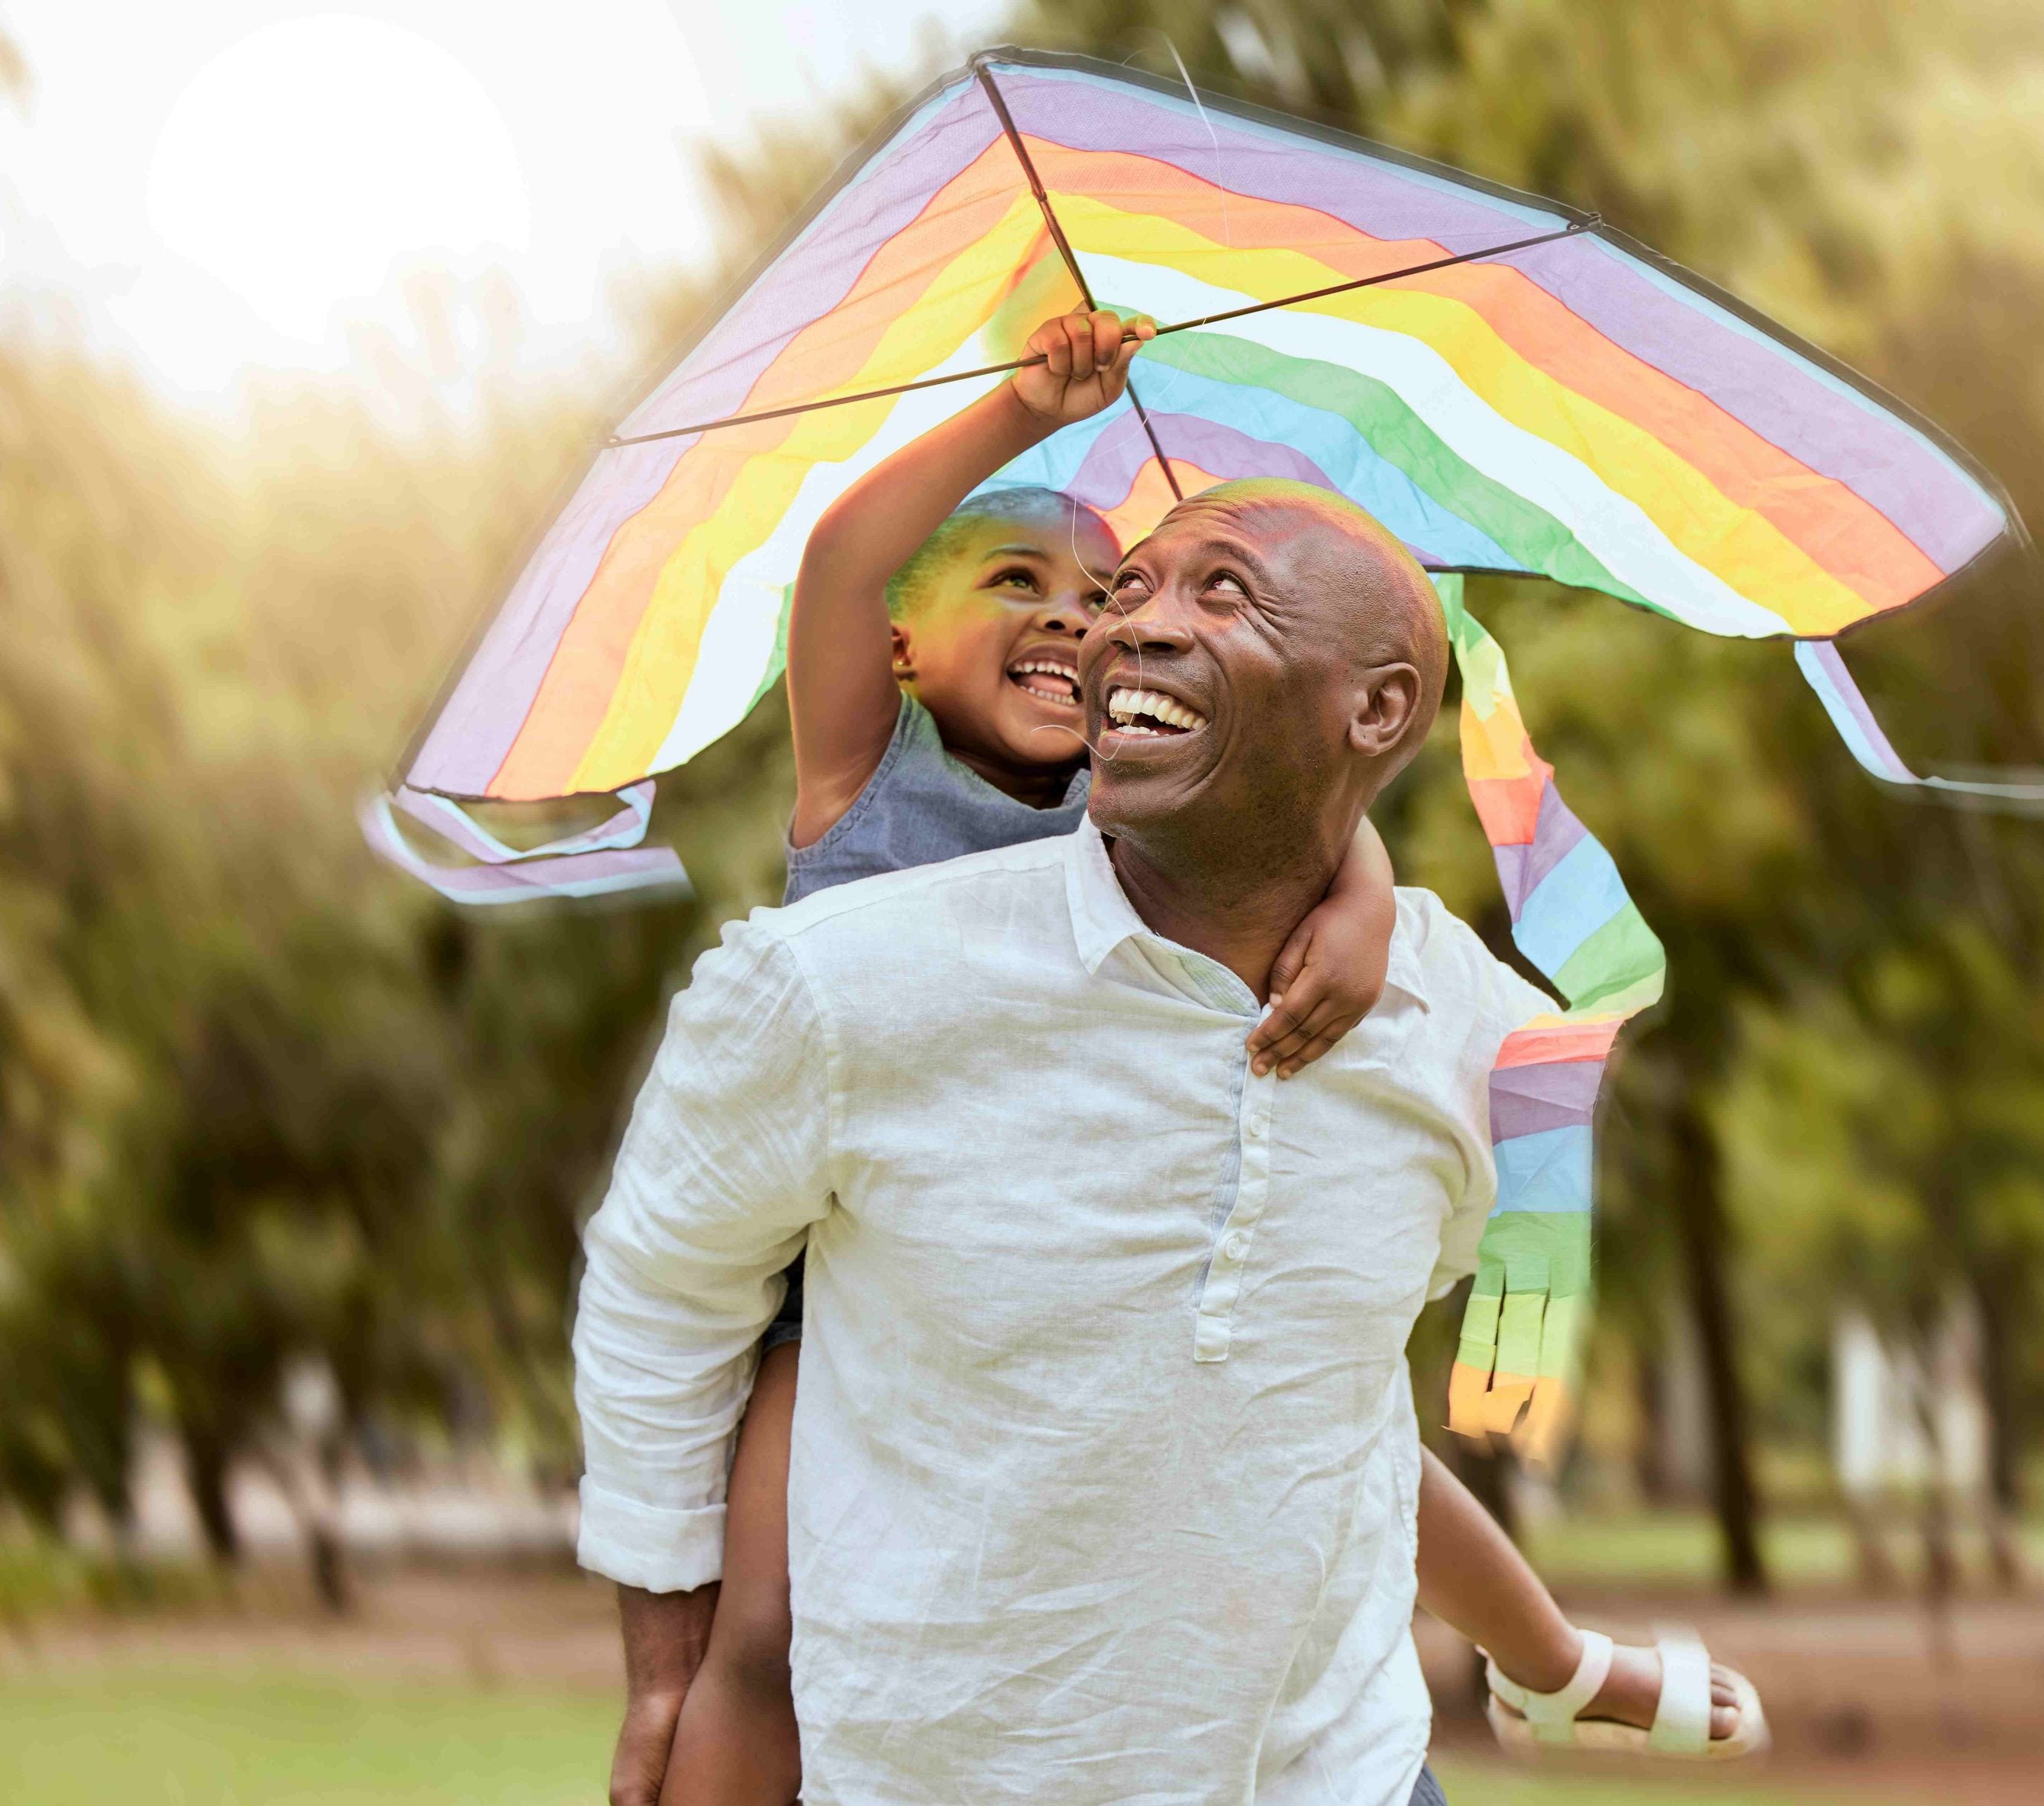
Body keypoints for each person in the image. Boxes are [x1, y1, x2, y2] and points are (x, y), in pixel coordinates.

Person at [581, 312, 1749, 1806]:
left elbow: (1279, 795)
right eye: (1058, 588)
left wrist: (1364, 900)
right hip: (825, 1282)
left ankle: (1549, 1659)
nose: (1103, 623)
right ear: (899, 647)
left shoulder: (1359, 955)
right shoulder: (857, 832)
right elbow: (847, 563)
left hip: (1344, 1765)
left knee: (1344, 1414)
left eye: (1151, 592)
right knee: (769, 1622)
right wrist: (1020, 406)